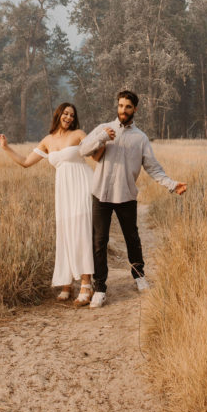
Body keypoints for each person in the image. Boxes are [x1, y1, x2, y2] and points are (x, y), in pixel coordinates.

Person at [79, 89, 187, 308]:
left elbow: (153, 167)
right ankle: (100, 287)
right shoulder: (103, 129)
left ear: (134, 109)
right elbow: (83, 149)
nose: (123, 110)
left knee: (132, 238)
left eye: (128, 107)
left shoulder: (140, 138)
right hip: (101, 194)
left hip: (126, 195)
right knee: (99, 242)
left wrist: (172, 184)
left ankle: (139, 275)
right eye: (120, 106)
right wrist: (102, 137)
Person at [0, 102, 102, 307]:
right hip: (63, 190)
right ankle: (66, 283)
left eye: (72, 115)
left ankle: (86, 283)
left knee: (81, 232)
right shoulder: (47, 140)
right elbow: (26, 162)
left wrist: (103, 140)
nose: (69, 118)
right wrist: (6, 147)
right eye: (65, 113)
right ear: (58, 114)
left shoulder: (79, 134)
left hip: (82, 184)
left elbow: (97, 156)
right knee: (65, 233)